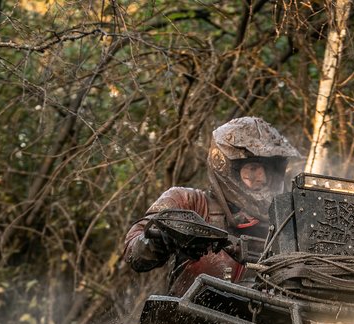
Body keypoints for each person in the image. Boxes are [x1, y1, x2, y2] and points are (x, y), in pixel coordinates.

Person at [123, 117, 301, 296]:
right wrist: (161, 238)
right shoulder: (188, 201)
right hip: (191, 310)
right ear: (225, 166)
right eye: (252, 168)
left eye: (267, 169)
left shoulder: (286, 217)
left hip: (263, 312)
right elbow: (133, 252)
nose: (261, 177)